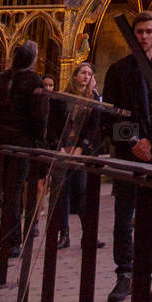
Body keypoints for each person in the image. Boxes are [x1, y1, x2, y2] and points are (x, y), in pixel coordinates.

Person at [102, 12, 152, 302]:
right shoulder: (117, 71)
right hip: (128, 154)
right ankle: (125, 273)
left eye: (149, 31)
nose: (144, 36)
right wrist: (135, 141)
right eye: (139, 31)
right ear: (132, 34)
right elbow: (109, 117)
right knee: (124, 217)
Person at [0, 40, 48, 258]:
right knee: (15, 191)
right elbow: (39, 117)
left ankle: (7, 239)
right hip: (22, 145)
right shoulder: (33, 80)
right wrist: (36, 140)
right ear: (33, 59)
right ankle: (12, 241)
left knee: (7, 191)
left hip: (1, 143)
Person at [46, 60, 104, 249]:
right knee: (61, 194)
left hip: (79, 154)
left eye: (89, 74)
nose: (86, 76)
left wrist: (81, 149)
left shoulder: (93, 100)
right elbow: (52, 126)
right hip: (62, 151)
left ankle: (89, 234)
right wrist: (59, 147)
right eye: (82, 73)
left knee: (82, 193)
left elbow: (93, 128)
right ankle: (64, 234)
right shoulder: (61, 98)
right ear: (75, 75)